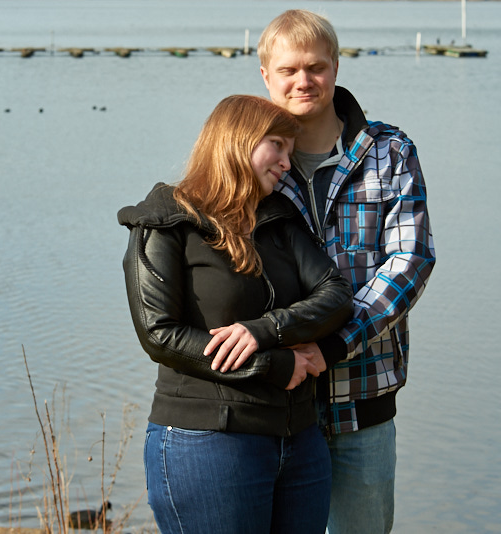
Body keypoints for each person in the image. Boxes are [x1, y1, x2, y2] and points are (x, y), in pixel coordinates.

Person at [118, 94, 354, 534]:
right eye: (278, 146)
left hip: (301, 443)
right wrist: (274, 365)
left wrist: (264, 329)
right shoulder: (165, 221)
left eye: (290, 149)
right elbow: (159, 334)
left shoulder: (280, 219)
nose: (288, 162)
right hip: (208, 442)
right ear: (238, 140)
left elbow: (337, 294)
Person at [256, 10, 436, 534]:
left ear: (336, 66)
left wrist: (334, 345)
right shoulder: (247, 162)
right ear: (266, 75)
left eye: (315, 66)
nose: (302, 81)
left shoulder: (390, 152)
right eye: (288, 70)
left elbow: (410, 261)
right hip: (273, 407)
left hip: (364, 401)